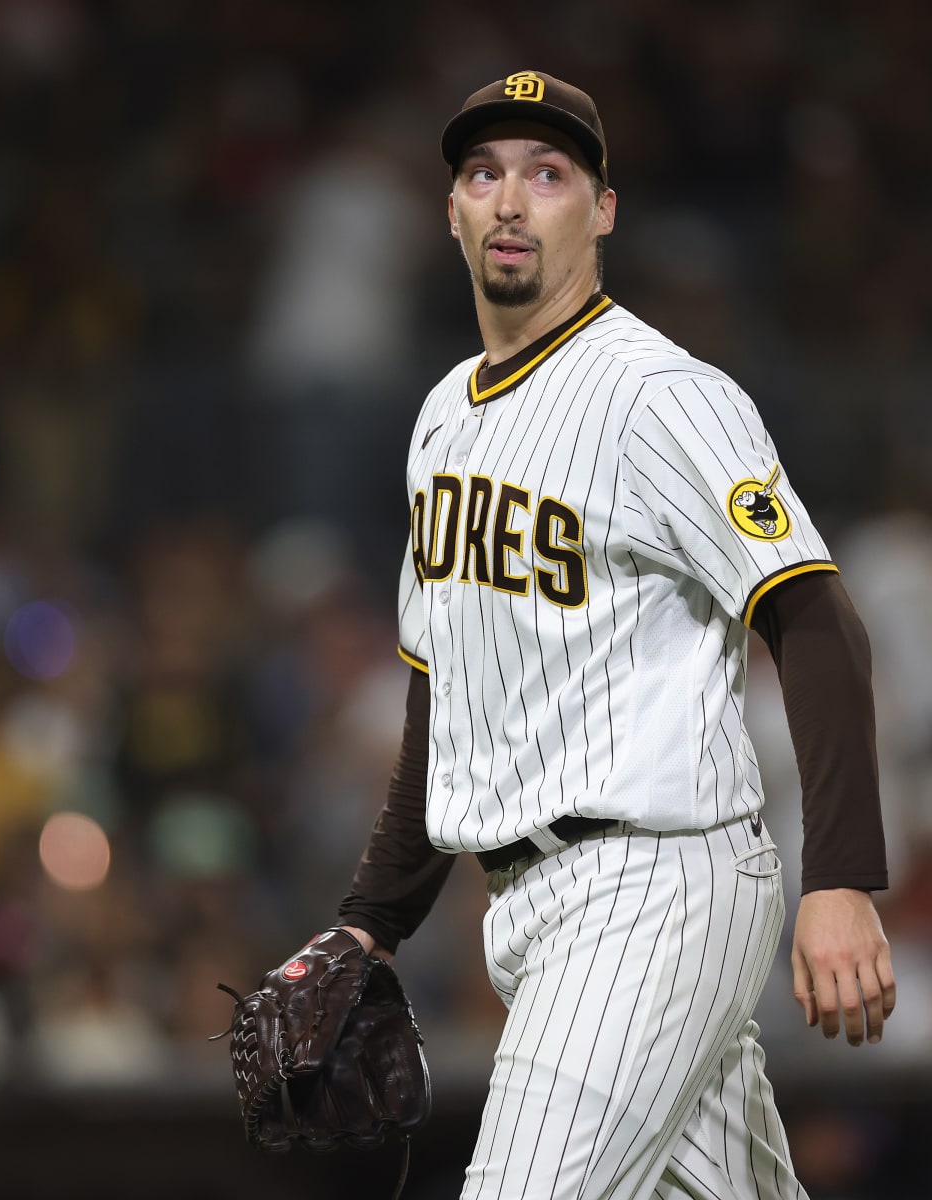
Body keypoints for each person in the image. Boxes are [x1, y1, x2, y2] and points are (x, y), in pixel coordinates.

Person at [322, 72, 897, 1198]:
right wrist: (369, 925)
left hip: (656, 884)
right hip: (535, 909)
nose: (510, 201)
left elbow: (816, 622)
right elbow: (448, 697)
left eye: (548, 174)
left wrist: (843, 878)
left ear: (604, 210)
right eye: (483, 174)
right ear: (449, 211)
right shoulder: (443, 417)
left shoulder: (661, 396)